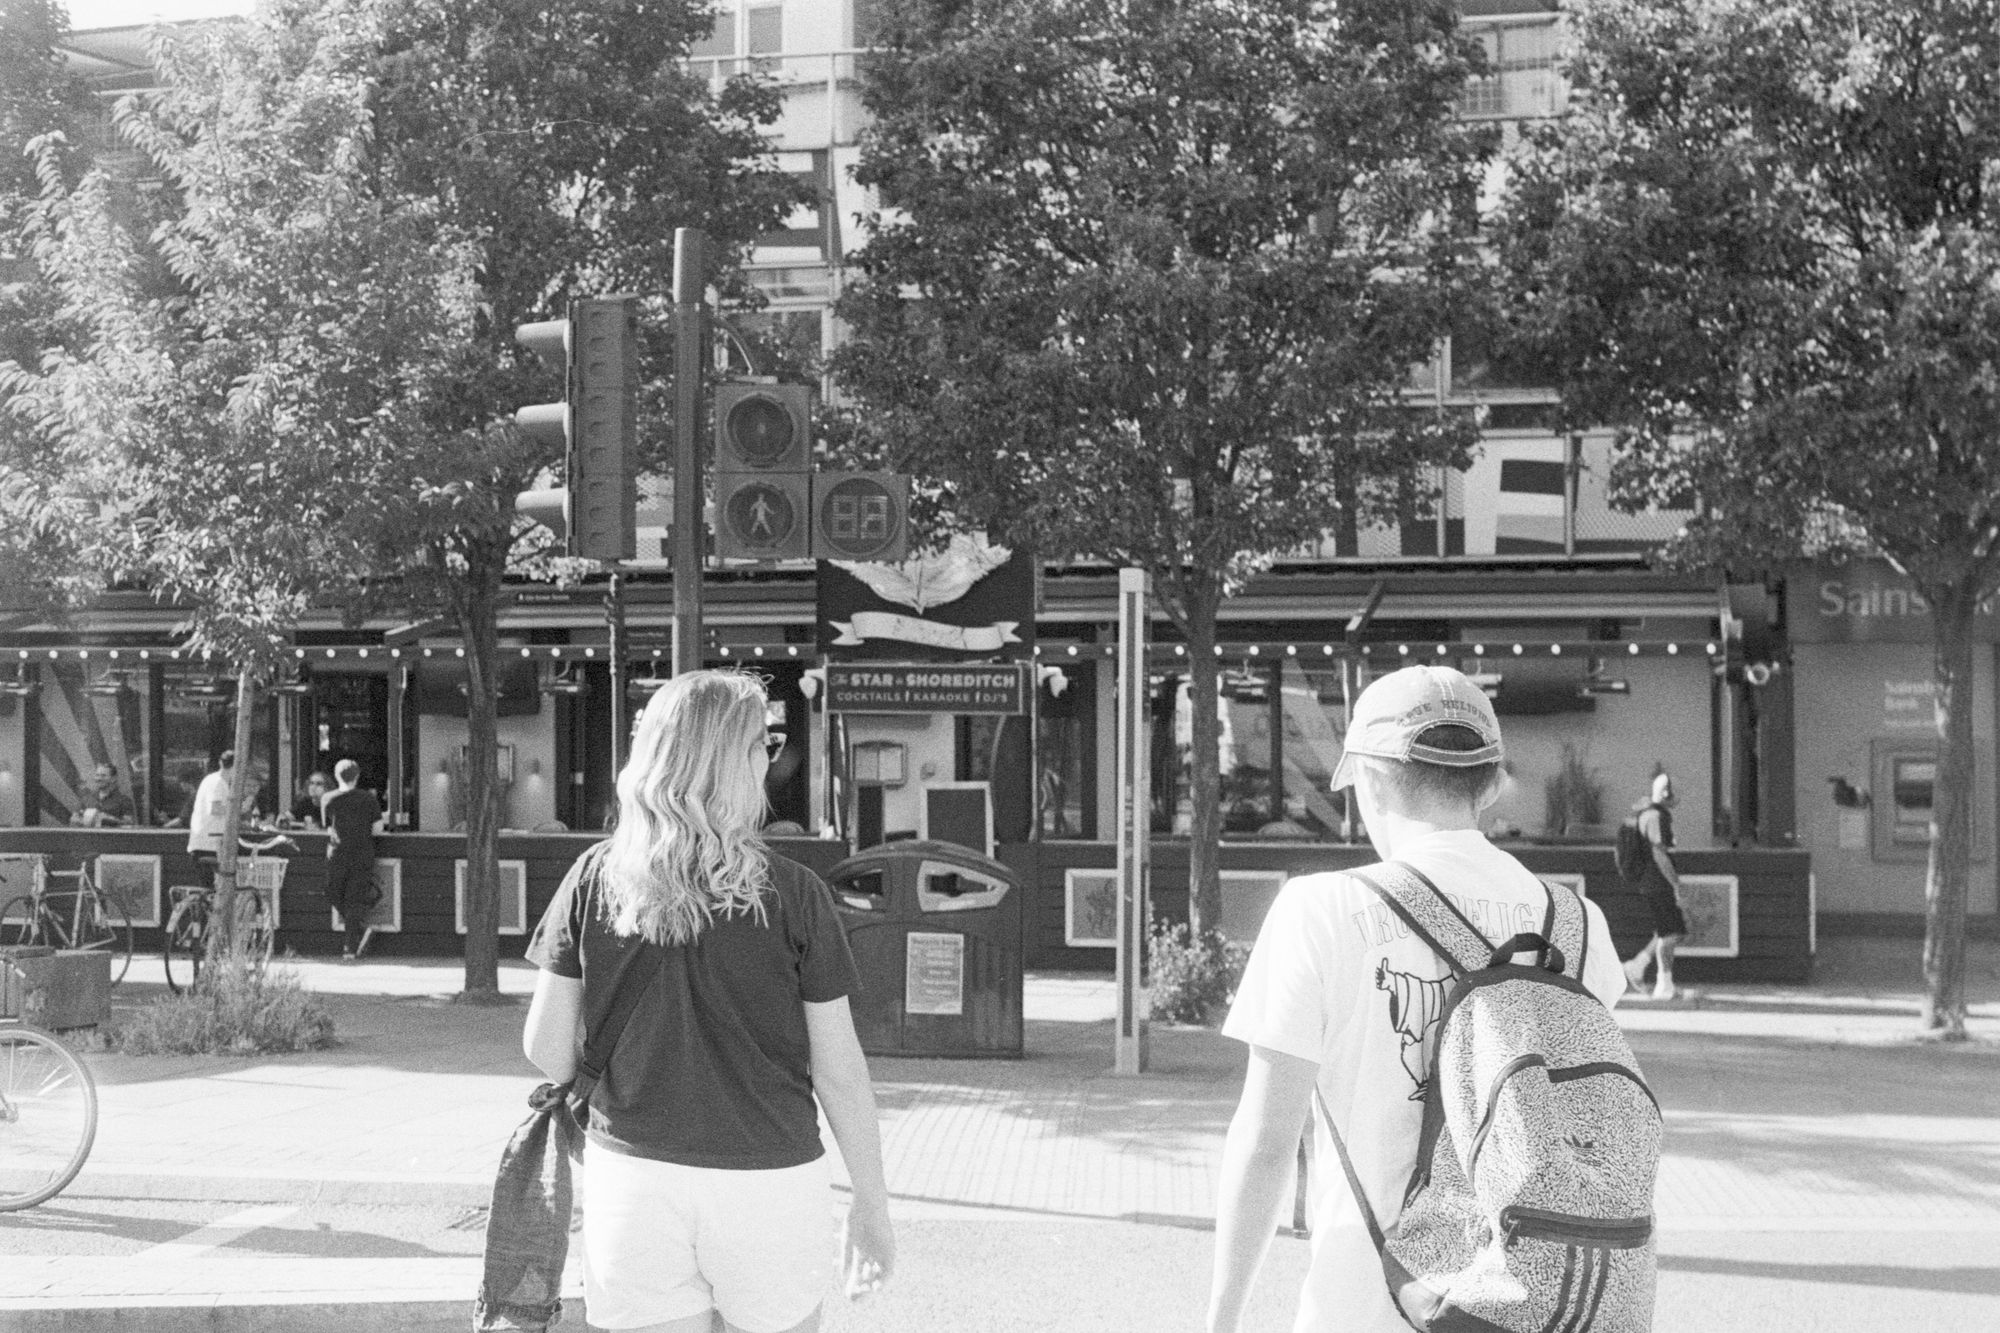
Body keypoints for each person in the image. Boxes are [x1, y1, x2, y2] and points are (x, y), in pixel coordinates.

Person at [1207, 665, 1626, 1333]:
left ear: (1368, 780)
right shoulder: (1577, 926)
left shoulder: (1319, 911)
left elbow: (1266, 1142)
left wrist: (1221, 1321)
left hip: (1365, 1307)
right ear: (1490, 783)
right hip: (1530, 1310)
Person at [522, 669, 894, 1333]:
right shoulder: (796, 893)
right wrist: (870, 1201)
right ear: (729, 760)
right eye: (762, 744)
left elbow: (545, 1048)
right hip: (769, 1179)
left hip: (635, 1175)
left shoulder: (594, 879)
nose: (769, 759)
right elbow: (840, 1068)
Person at [1621, 770, 1686, 1001]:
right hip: (1658, 882)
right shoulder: (1656, 817)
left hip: (1651, 882)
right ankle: (1664, 986)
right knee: (1672, 933)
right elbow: (1659, 853)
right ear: (1666, 793)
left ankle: (1637, 967)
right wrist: (1676, 883)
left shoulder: (1649, 813)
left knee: (1665, 930)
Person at [322, 759, 384, 961]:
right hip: (362, 853)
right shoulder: (368, 799)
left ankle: (351, 946)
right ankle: (351, 946)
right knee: (354, 900)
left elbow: (329, 828)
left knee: (332, 892)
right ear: (357, 776)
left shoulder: (328, 799)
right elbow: (377, 829)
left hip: (337, 853)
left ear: (336, 776)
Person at [185, 751, 236, 884]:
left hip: (207, 844)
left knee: (212, 891)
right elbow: (216, 809)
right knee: (214, 890)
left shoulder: (213, 780)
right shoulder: (218, 783)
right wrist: (239, 810)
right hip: (208, 846)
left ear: (220, 763)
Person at [70, 762, 133, 828]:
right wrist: (80, 820)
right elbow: (73, 820)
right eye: (97, 775)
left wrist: (108, 819)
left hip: (111, 837)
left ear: (113, 779)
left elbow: (128, 824)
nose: (99, 778)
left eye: (103, 775)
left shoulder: (124, 800)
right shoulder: (87, 798)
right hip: (89, 837)